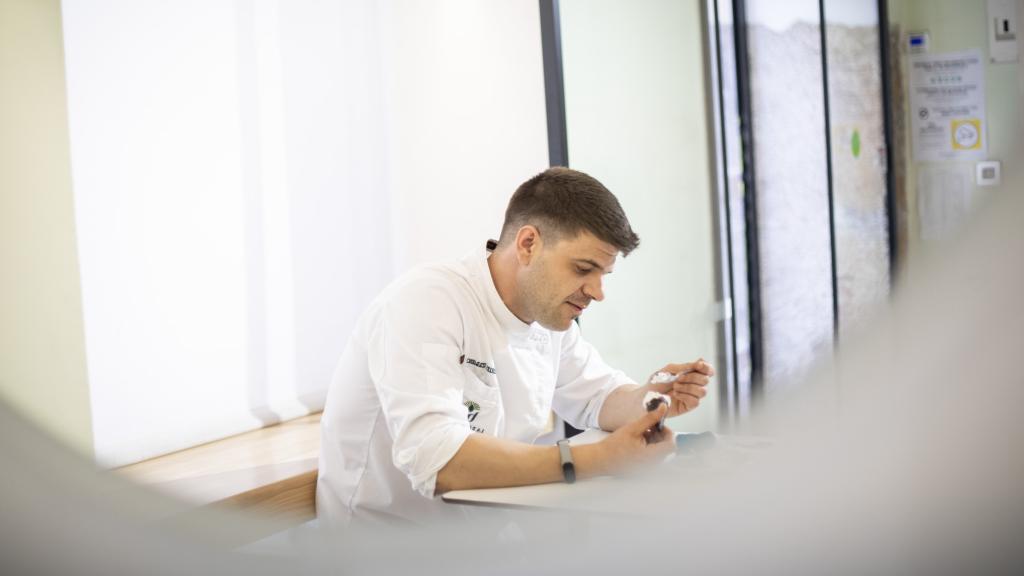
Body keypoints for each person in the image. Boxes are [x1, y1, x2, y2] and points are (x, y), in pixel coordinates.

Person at [316, 167, 714, 526]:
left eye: (604, 274)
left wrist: (651, 398)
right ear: (528, 244)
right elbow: (436, 459)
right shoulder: (426, 301)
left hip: (481, 544)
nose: (597, 292)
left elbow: (599, 395)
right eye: (583, 269)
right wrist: (598, 459)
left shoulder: (549, 318)